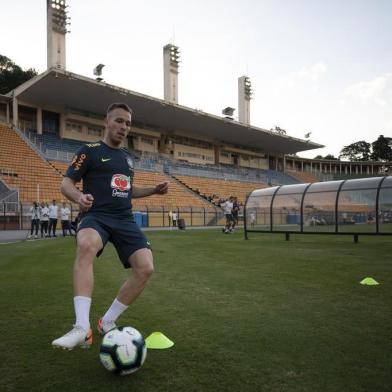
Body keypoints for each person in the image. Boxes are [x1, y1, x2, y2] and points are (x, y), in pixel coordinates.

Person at [52, 102, 169, 350]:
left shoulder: (127, 159)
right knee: (86, 245)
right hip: (96, 215)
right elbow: (66, 184)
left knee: (145, 268)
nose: (124, 127)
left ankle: (107, 321)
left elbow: (127, 189)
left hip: (124, 219)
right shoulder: (90, 151)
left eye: (127, 123)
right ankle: (82, 328)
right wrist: (79, 198)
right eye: (118, 121)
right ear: (106, 122)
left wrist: (153, 190)